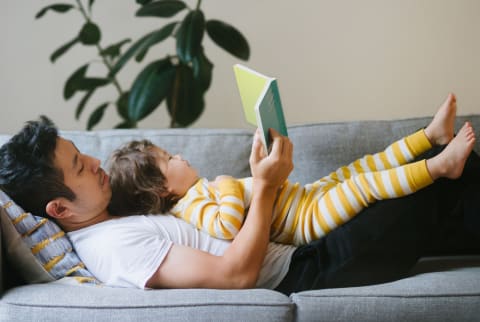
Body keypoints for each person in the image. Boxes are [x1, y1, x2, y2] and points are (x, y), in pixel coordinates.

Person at [0, 94, 479, 294]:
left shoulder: (115, 216)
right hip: (311, 270)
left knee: (437, 186)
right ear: (59, 208)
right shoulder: (111, 248)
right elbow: (235, 275)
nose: (98, 164)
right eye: (81, 168)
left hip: (307, 245)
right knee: (444, 178)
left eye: (86, 155)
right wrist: (266, 186)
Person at [107, 93, 475, 246]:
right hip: (306, 222)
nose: (180, 157)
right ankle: (441, 166)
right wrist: (226, 185)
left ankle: (430, 135)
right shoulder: (190, 208)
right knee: (365, 184)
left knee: (361, 167)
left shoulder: (198, 191)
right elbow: (229, 226)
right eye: (170, 160)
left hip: (307, 197)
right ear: (162, 191)